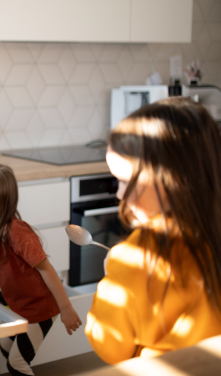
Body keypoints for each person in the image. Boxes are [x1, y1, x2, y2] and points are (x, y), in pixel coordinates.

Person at [85, 96, 221, 363]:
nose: (121, 195)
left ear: (169, 180)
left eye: (125, 181)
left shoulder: (134, 259)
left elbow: (110, 345)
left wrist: (109, 277)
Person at [0, 163, 81, 376]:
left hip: (40, 310)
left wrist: (67, 309)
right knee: (5, 349)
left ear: (7, 204)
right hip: (19, 308)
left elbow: (47, 270)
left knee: (16, 364)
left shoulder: (15, 232)